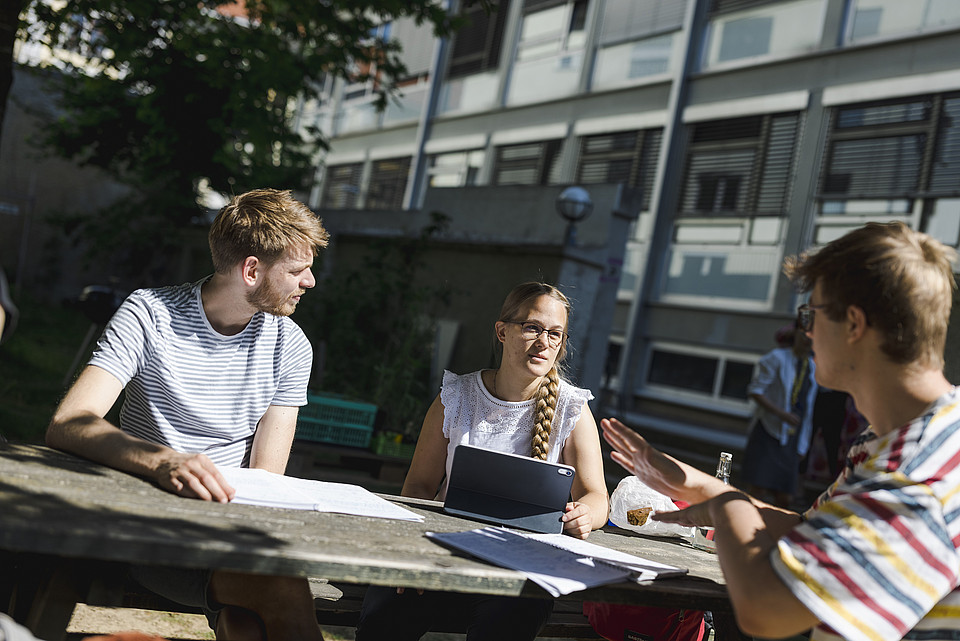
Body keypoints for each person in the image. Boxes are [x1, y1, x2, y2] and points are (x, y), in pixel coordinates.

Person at [601, 221, 960, 641]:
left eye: (812, 313)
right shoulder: (909, 437)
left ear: (854, 325)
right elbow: (810, 528)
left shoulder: (914, 478)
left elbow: (765, 610)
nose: (806, 330)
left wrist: (726, 507)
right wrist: (705, 488)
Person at [45, 188, 330, 641]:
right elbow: (69, 422)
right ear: (251, 270)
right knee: (284, 592)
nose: (310, 281)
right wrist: (164, 462)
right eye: (297, 270)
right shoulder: (149, 314)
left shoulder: (290, 347)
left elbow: (266, 480)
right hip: (146, 529)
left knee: (249, 624)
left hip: (227, 535)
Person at [356, 281, 609, 641]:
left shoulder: (572, 410)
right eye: (533, 328)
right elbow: (418, 488)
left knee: (511, 615)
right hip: (445, 554)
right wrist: (414, 554)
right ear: (502, 331)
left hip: (523, 566)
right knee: (389, 608)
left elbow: (598, 497)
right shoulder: (456, 397)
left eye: (556, 334)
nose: (544, 342)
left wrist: (587, 514)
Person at [742, 322, 818, 508]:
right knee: (758, 490)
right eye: (804, 336)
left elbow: (809, 407)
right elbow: (755, 391)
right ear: (796, 336)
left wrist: (803, 444)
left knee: (785, 496)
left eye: (812, 338)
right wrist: (781, 413)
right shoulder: (777, 358)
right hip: (770, 431)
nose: (808, 342)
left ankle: (771, 533)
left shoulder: (811, 365)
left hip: (792, 436)